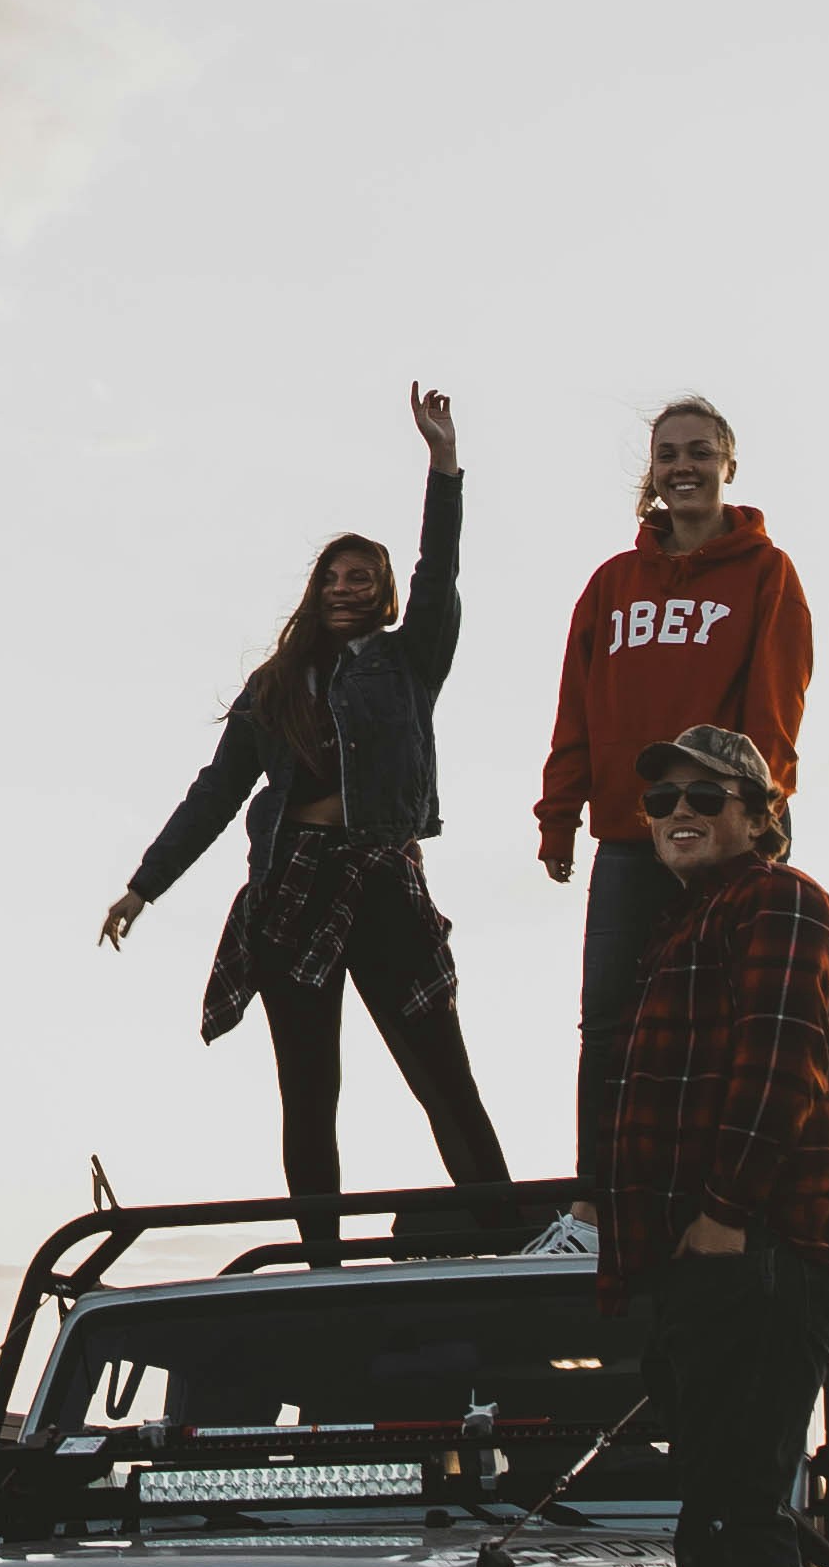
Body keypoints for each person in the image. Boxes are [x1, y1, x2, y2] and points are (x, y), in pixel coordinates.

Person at [101, 382, 519, 1270]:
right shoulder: (276, 682)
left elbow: (441, 570)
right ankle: (322, 1264)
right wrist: (145, 884)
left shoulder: (410, 659)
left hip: (382, 881)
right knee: (308, 1092)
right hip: (292, 886)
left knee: (442, 1076)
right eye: (330, 577)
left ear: (382, 594)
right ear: (312, 590)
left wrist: (443, 466)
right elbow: (215, 792)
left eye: (358, 578)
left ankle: (509, 1242)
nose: (342, 588)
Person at [594, 722, 829, 1567]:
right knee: (716, 1518)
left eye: (710, 792)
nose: (678, 808)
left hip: (760, 1249)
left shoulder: (784, 904)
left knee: (741, 1515)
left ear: (762, 812)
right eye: (661, 799)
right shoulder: (684, 928)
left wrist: (726, 1212)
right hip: (706, 1262)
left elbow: (780, 1059)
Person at [537, 396, 817, 1209]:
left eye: (699, 451)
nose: (682, 467)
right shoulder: (611, 585)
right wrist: (559, 812)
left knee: (731, 1021)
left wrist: (760, 809)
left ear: (728, 465)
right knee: (611, 1026)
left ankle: (720, 1199)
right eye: (667, 455)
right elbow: (577, 705)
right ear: (650, 472)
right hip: (631, 834)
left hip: (723, 836)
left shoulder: (766, 573)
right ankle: (597, 1203)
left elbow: (777, 706)